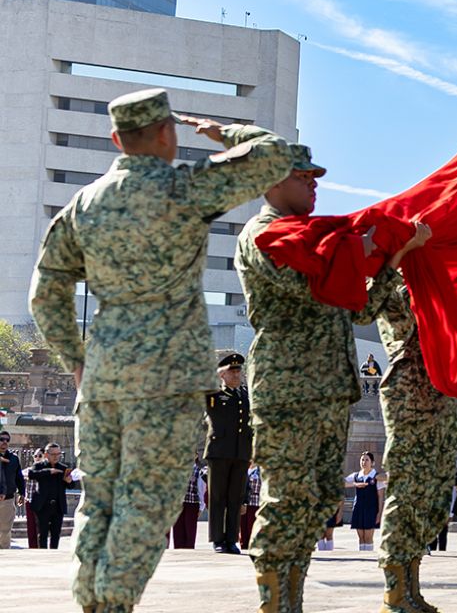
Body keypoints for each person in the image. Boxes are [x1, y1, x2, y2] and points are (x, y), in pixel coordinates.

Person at [28, 89, 294, 612]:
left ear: (116, 139)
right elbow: (275, 156)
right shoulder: (185, 188)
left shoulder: (85, 204)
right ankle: (112, 604)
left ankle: (92, 603)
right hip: (168, 378)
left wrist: (75, 358)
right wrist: (224, 133)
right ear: (168, 133)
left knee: (100, 503)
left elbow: (45, 292)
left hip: (103, 375)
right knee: (147, 503)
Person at [235, 139, 428, 612]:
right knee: (287, 502)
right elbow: (307, 282)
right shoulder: (266, 235)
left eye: (315, 177)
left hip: (327, 391)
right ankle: (275, 605)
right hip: (289, 388)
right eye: (303, 177)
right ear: (272, 181)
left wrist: (393, 257)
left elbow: (358, 306)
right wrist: (358, 247)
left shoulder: (319, 242)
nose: (313, 185)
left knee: (317, 503)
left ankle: (291, 602)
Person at [370, 279, 457, 613]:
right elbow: (399, 321)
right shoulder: (391, 279)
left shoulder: (435, 278)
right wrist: (413, 265)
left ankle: (411, 586)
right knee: (406, 491)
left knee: (432, 495)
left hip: (439, 386)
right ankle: (395, 592)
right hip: (408, 387)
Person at [204, 351, 252, 554]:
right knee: (218, 497)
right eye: (231, 371)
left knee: (235, 497)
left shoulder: (245, 396)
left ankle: (231, 539)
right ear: (222, 374)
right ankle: (218, 539)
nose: (236, 375)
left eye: (238, 371)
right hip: (219, 451)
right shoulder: (215, 394)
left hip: (240, 452)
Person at [27, 442, 77, 549]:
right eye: (53, 454)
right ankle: (43, 555)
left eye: (58, 454)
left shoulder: (63, 468)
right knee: (42, 535)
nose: (56, 457)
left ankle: (54, 554)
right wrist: (49, 471)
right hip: (42, 506)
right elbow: (31, 474)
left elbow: (71, 485)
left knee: (55, 535)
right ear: (46, 455)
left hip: (58, 507)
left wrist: (69, 481)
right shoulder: (39, 466)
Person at [345, 452, 385, 552]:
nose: (364, 462)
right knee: (361, 537)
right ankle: (362, 557)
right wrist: (355, 484)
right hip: (358, 508)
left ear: (372, 463)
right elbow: (343, 483)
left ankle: (369, 557)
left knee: (368, 537)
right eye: (362, 460)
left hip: (371, 509)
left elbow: (380, 497)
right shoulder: (356, 476)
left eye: (367, 460)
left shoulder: (376, 477)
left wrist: (379, 513)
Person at [0, 431, 25, 549]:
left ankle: (4, 555)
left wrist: (22, 493)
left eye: (7, 440)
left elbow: (19, 477)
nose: (4, 442)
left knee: (5, 531)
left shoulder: (13, 459)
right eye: (1, 439)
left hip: (7, 500)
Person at [170, 458, 203, 549]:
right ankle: (178, 549)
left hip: (192, 504)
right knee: (178, 530)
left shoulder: (198, 470)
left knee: (190, 530)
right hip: (178, 504)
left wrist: (201, 507)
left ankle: (189, 549)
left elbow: (201, 490)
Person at [22, 449, 44, 549]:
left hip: (42, 503)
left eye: (40, 456)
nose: (37, 458)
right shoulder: (29, 470)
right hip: (29, 501)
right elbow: (21, 475)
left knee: (41, 528)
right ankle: (32, 548)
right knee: (31, 527)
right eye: (35, 456)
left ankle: (41, 548)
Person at [240, 461, 262, 551]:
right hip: (243, 502)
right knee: (243, 527)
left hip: (256, 503)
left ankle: (254, 546)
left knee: (252, 527)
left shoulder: (260, 470)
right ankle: (244, 546)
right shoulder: (243, 468)